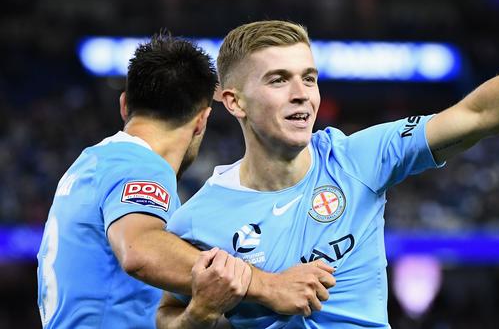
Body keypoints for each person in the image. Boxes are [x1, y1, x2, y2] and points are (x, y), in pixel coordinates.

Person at [158, 0, 499, 328]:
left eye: (309, 77)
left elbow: (479, 115)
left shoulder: (358, 158)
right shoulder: (196, 219)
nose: (302, 93)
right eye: (279, 80)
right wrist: (201, 312)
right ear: (233, 100)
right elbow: (166, 319)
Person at [36, 33, 336, 328]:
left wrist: (202, 315)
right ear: (202, 120)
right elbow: (140, 250)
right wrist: (268, 286)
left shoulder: (91, 163)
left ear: (124, 105)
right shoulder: (138, 165)